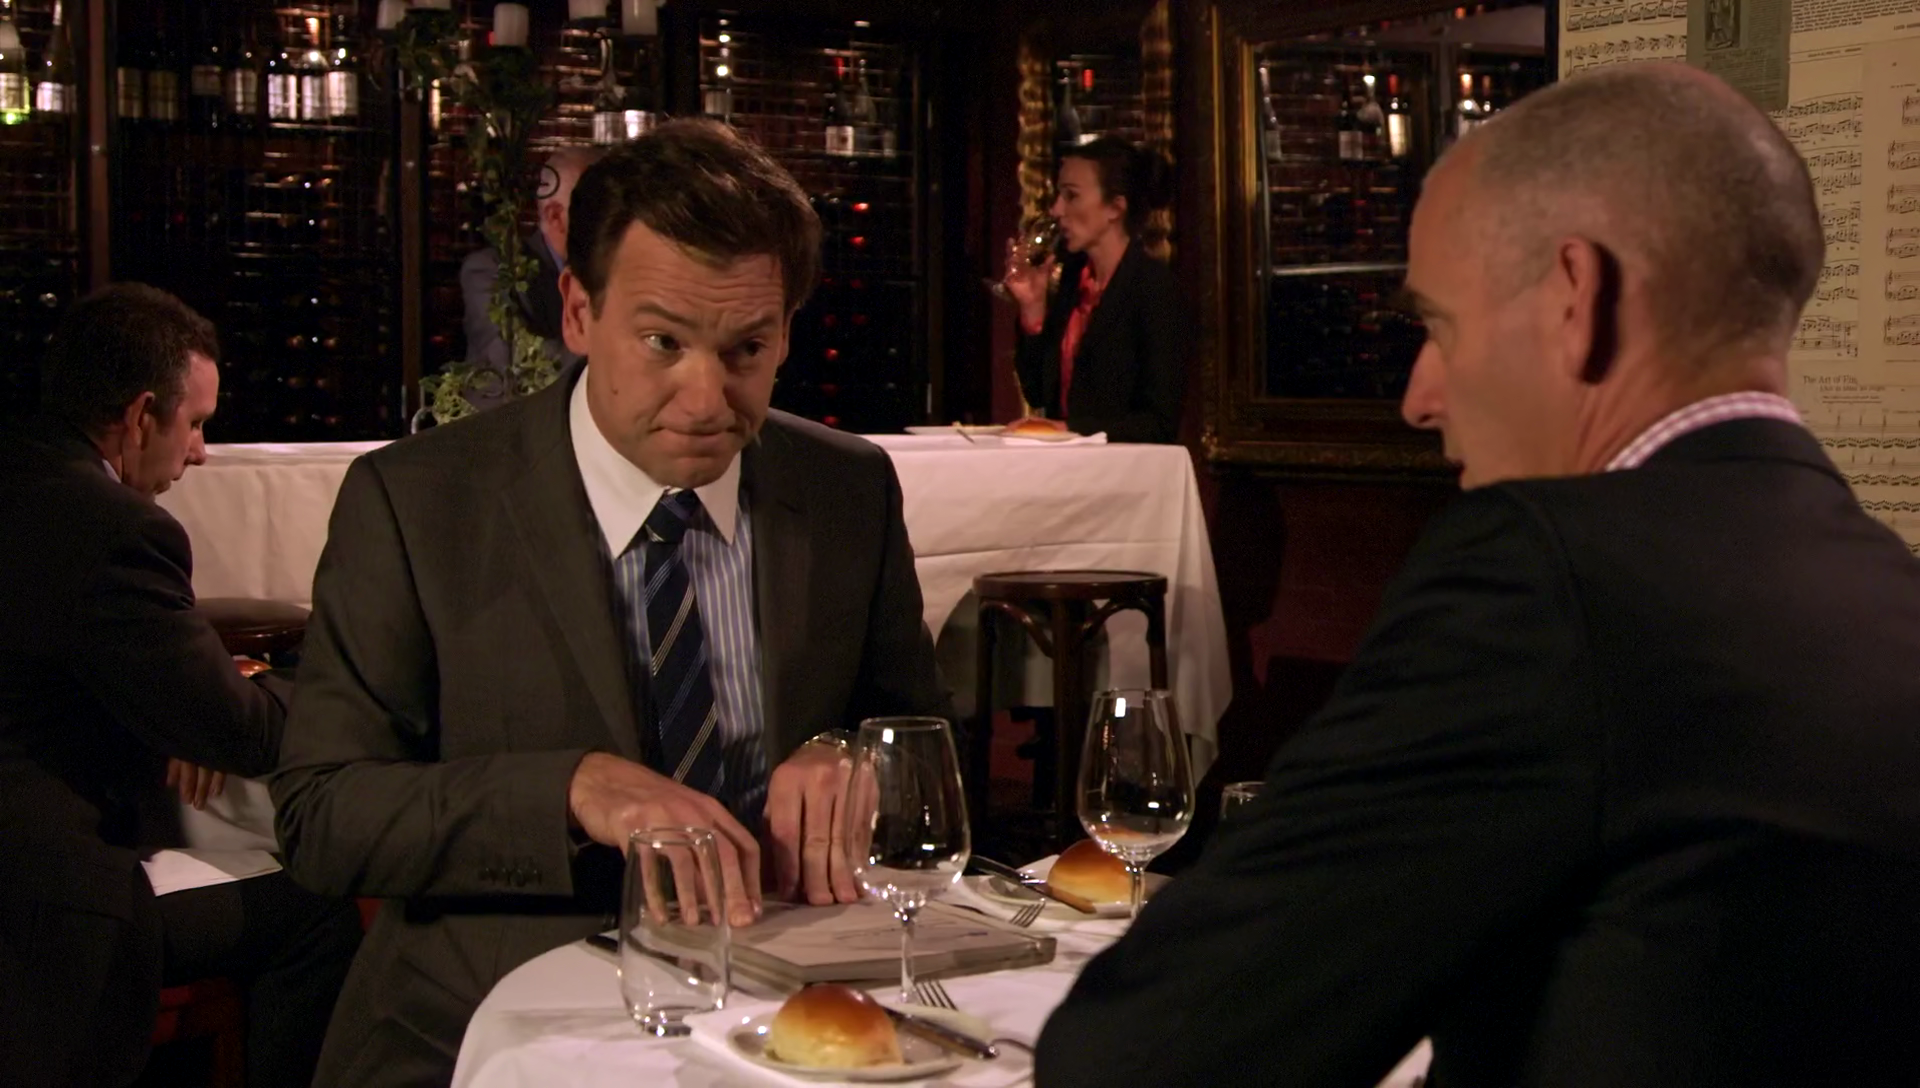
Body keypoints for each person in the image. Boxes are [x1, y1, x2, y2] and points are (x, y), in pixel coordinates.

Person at [1036, 64, 1920, 1087]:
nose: (1419, 397)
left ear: (1577, 298)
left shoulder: (1543, 577)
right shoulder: (1885, 586)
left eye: (1438, 326)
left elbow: (1148, 1050)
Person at [271, 119, 949, 1086]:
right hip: (485, 1029)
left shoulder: (846, 489)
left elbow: (918, 741)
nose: (706, 398)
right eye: (663, 341)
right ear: (579, 313)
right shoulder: (417, 503)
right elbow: (322, 814)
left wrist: (850, 752)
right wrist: (571, 790)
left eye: (747, 348)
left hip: (787, 1012)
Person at [0, 284, 362, 1088]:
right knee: (317, 911)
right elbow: (243, 734)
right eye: (195, 424)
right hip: (39, 907)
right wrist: (275, 689)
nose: (200, 452)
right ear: (139, 417)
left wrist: (186, 699)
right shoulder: (112, 528)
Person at [1003, 136, 1185, 443]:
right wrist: (1032, 309)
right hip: (1070, 465)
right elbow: (1037, 393)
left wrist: (1074, 430)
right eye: (1059, 195)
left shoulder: (1153, 288)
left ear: (1115, 207)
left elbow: (1159, 423)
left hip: (1121, 468)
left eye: (1071, 196)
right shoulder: (1073, 280)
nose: (1057, 209)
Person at [459, 146, 605, 400]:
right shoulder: (491, 270)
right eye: (600, 211)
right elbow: (521, 361)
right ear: (555, 216)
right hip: (512, 420)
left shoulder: (612, 270)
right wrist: (618, 352)